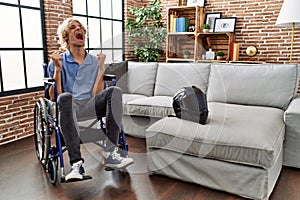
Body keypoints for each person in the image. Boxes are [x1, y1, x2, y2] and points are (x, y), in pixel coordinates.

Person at [48, 18, 133, 181]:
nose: (79, 29)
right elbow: (56, 97)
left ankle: (111, 154)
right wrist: (57, 70)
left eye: (81, 28)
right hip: (69, 106)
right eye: (73, 28)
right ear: (66, 37)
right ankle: (76, 165)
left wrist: (101, 67)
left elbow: (97, 93)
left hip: (90, 104)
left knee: (114, 91)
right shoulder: (59, 60)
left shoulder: (93, 61)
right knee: (65, 97)